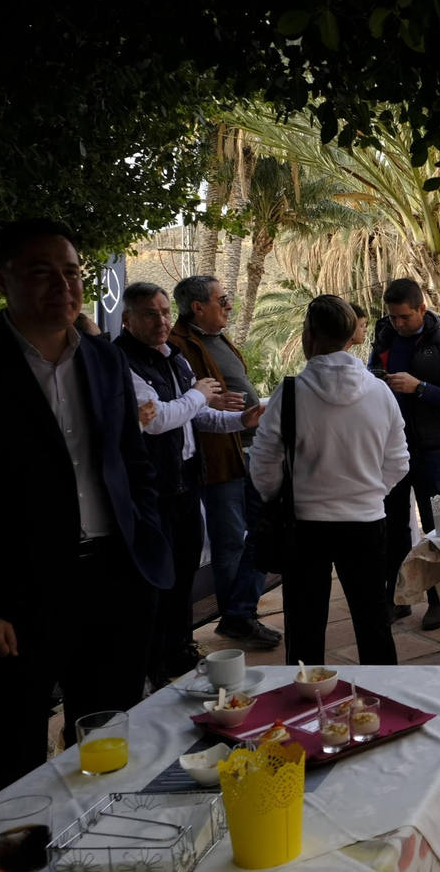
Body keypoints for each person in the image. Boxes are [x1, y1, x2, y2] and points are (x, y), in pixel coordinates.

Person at [0, 218, 172, 802]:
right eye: (41, 272)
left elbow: (133, 463)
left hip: (117, 578)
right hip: (17, 597)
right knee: (13, 750)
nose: (63, 285)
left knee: (108, 740)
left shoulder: (104, 360)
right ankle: (15, 846)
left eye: (71, 272)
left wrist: (147, 544)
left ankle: (104, 840)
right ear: (1, 278)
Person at [116, 282, 264, 686]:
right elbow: (157, 419)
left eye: (164, 312)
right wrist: (199, 394)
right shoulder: (123, 361)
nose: (161, 321)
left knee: (182, 573)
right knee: (156, 582)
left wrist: (241, 420)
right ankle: (153, 665)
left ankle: (179, 649)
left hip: (185, 482)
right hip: (150, 490)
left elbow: (196, 418)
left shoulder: (174, 357)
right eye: (150, 314)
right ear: (127, 319)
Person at [252, 295, 410, 666]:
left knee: (304, 625)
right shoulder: (380, 391)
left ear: (309, 336)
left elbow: (263, 460)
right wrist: (370, 493)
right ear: (350, 336)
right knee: (373, 620)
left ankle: (306, 698)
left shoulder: (291, 393)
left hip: (305, 526)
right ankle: (382, 695)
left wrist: (281, 495)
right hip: (366, 522)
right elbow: (398, 461)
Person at [168, 276, 282, 648]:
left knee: (260, 531)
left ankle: (239, 612)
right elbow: (181, 403)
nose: (229, 305)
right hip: (218, 458)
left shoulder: (216, 338)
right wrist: (210, 402)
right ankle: (237, 619)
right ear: (197, 307)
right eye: (223, 300)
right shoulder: (178, 345)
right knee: (231, 540)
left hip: (247, 448)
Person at [370, 278, 440, 629]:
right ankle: (397, 599)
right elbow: (369, 379)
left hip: (433, 451)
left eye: (405, 317)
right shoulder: (383, 340)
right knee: (393, 527)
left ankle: (439, 602)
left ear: (421, 309)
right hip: (391, 450)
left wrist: (420, 388)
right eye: (393, 317)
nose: (398, 324)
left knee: (436, 526)